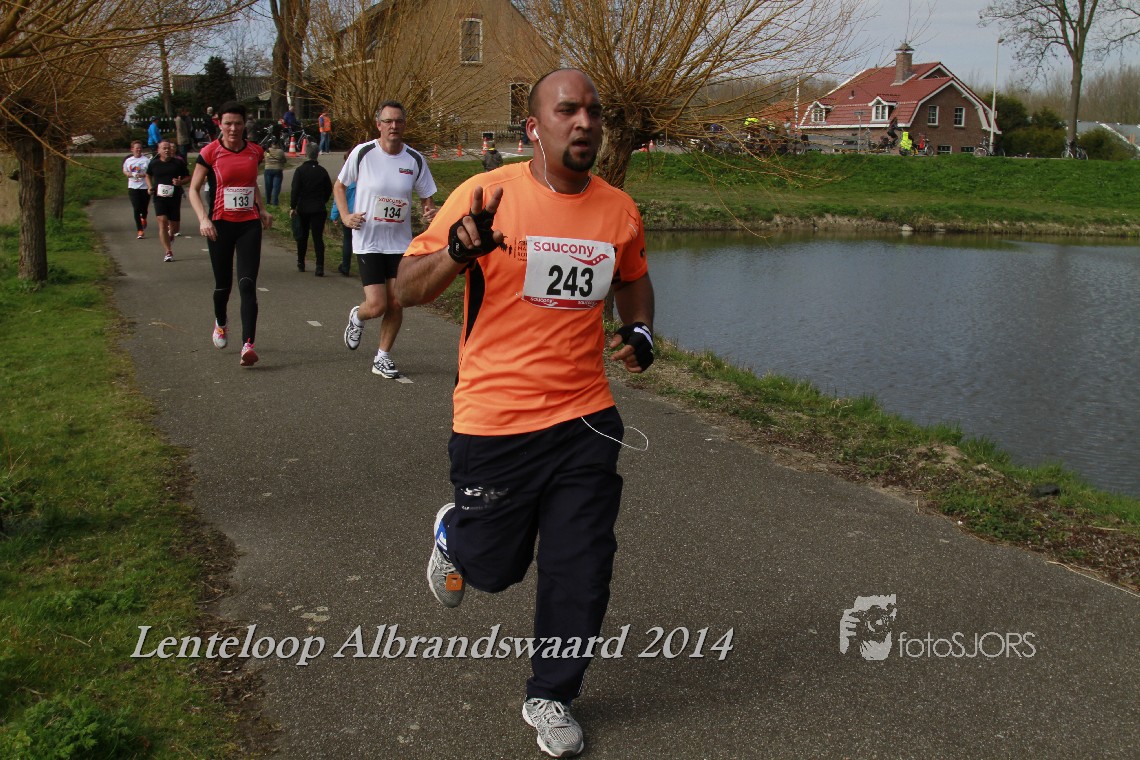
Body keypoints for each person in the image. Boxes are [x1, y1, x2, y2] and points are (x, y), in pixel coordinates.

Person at [396, 68, 655, 759]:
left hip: (586, 417)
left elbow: (634, 281)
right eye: (567, 111)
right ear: (533, 128)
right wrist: (459, 252)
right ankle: (455, 535)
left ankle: (552, 695)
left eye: (592, 111)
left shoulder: (618, 210)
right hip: (496, 419)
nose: (584, 122)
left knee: (583, 564)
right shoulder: (486, 196)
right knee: (493, 569)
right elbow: (407, 287)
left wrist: (640, 331)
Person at [333, 100, 437, 378]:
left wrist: (429, 212)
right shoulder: (363, 153)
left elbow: (427, 196)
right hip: (368, 240)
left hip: (400, 244)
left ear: (404, 125)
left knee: (396, 302)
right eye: (388, 121)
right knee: (377, 305)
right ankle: (358, 315)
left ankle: (382, 356)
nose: (394, 126)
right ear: (378, 124)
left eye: (399, 121)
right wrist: (345, 216)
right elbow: (339, 186)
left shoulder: (414, 159)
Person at [188, 100, 272, 367]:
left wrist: (262, 209)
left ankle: (248, 345)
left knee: (247, 283)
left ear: (244, 124)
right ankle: (221, 322)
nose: (233, 128)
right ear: (220, 124)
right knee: (222, 286)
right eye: (228, 124)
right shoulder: (210, 152)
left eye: (238, 123)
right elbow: (193, 189)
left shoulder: (255, 151)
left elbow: (251, 184)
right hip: (219, 225)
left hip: (248, 224)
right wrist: (203, 219)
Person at [290, 143, 333, 275]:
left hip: (303, 207)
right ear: (317, 154)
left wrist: (293, 206)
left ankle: (301, 262)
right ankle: (319, 266)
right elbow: (328, 189)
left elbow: (295, 189)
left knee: (302, 236)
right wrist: (323, 200)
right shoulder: (322, 171)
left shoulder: (300, 171)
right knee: (318, 237)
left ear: (306, 154)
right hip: (318, 208)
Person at [145, 140, 190, 262]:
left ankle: (171, 235)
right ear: (158, 150)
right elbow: (148, 175)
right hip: (159, 197)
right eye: (164, 148)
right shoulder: (154, 163)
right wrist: (150, 187)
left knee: (175, 228)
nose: (167, 150)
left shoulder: (178, 163)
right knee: (162, 221)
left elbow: (187, 177)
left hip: (174, 197)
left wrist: (180, 182)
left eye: (168, 148)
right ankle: (168, 251)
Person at [329, 152, 355, 277]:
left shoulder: (345, 178)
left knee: (348, 240)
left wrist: (334, 215)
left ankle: (345, 266)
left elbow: (338, 198)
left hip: (348, 213)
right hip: (364, 214)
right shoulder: (366, 174)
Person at [122, 141, 150, 240]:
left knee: (144, 208)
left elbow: (149, 173)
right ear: (132, 149)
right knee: (136, 208)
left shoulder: (146, 160)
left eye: (140, 148)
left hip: (144, 187)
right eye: (136, 148)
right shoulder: (128, 160)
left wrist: (141, 175)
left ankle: (144, 217)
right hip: (133, 187)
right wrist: (129, 174)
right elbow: (125, 170)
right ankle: (140, 230)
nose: (138, 150)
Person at [263, 138, 287, 206]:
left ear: (271, 144)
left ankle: (268, 202)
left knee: (268, 187)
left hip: (268, 169)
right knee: (276, 187)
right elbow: (284, 160)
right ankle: (275, 202)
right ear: (277, 144)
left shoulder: (267, 151)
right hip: (278, 169)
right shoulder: (280, 151)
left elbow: (266, 158)